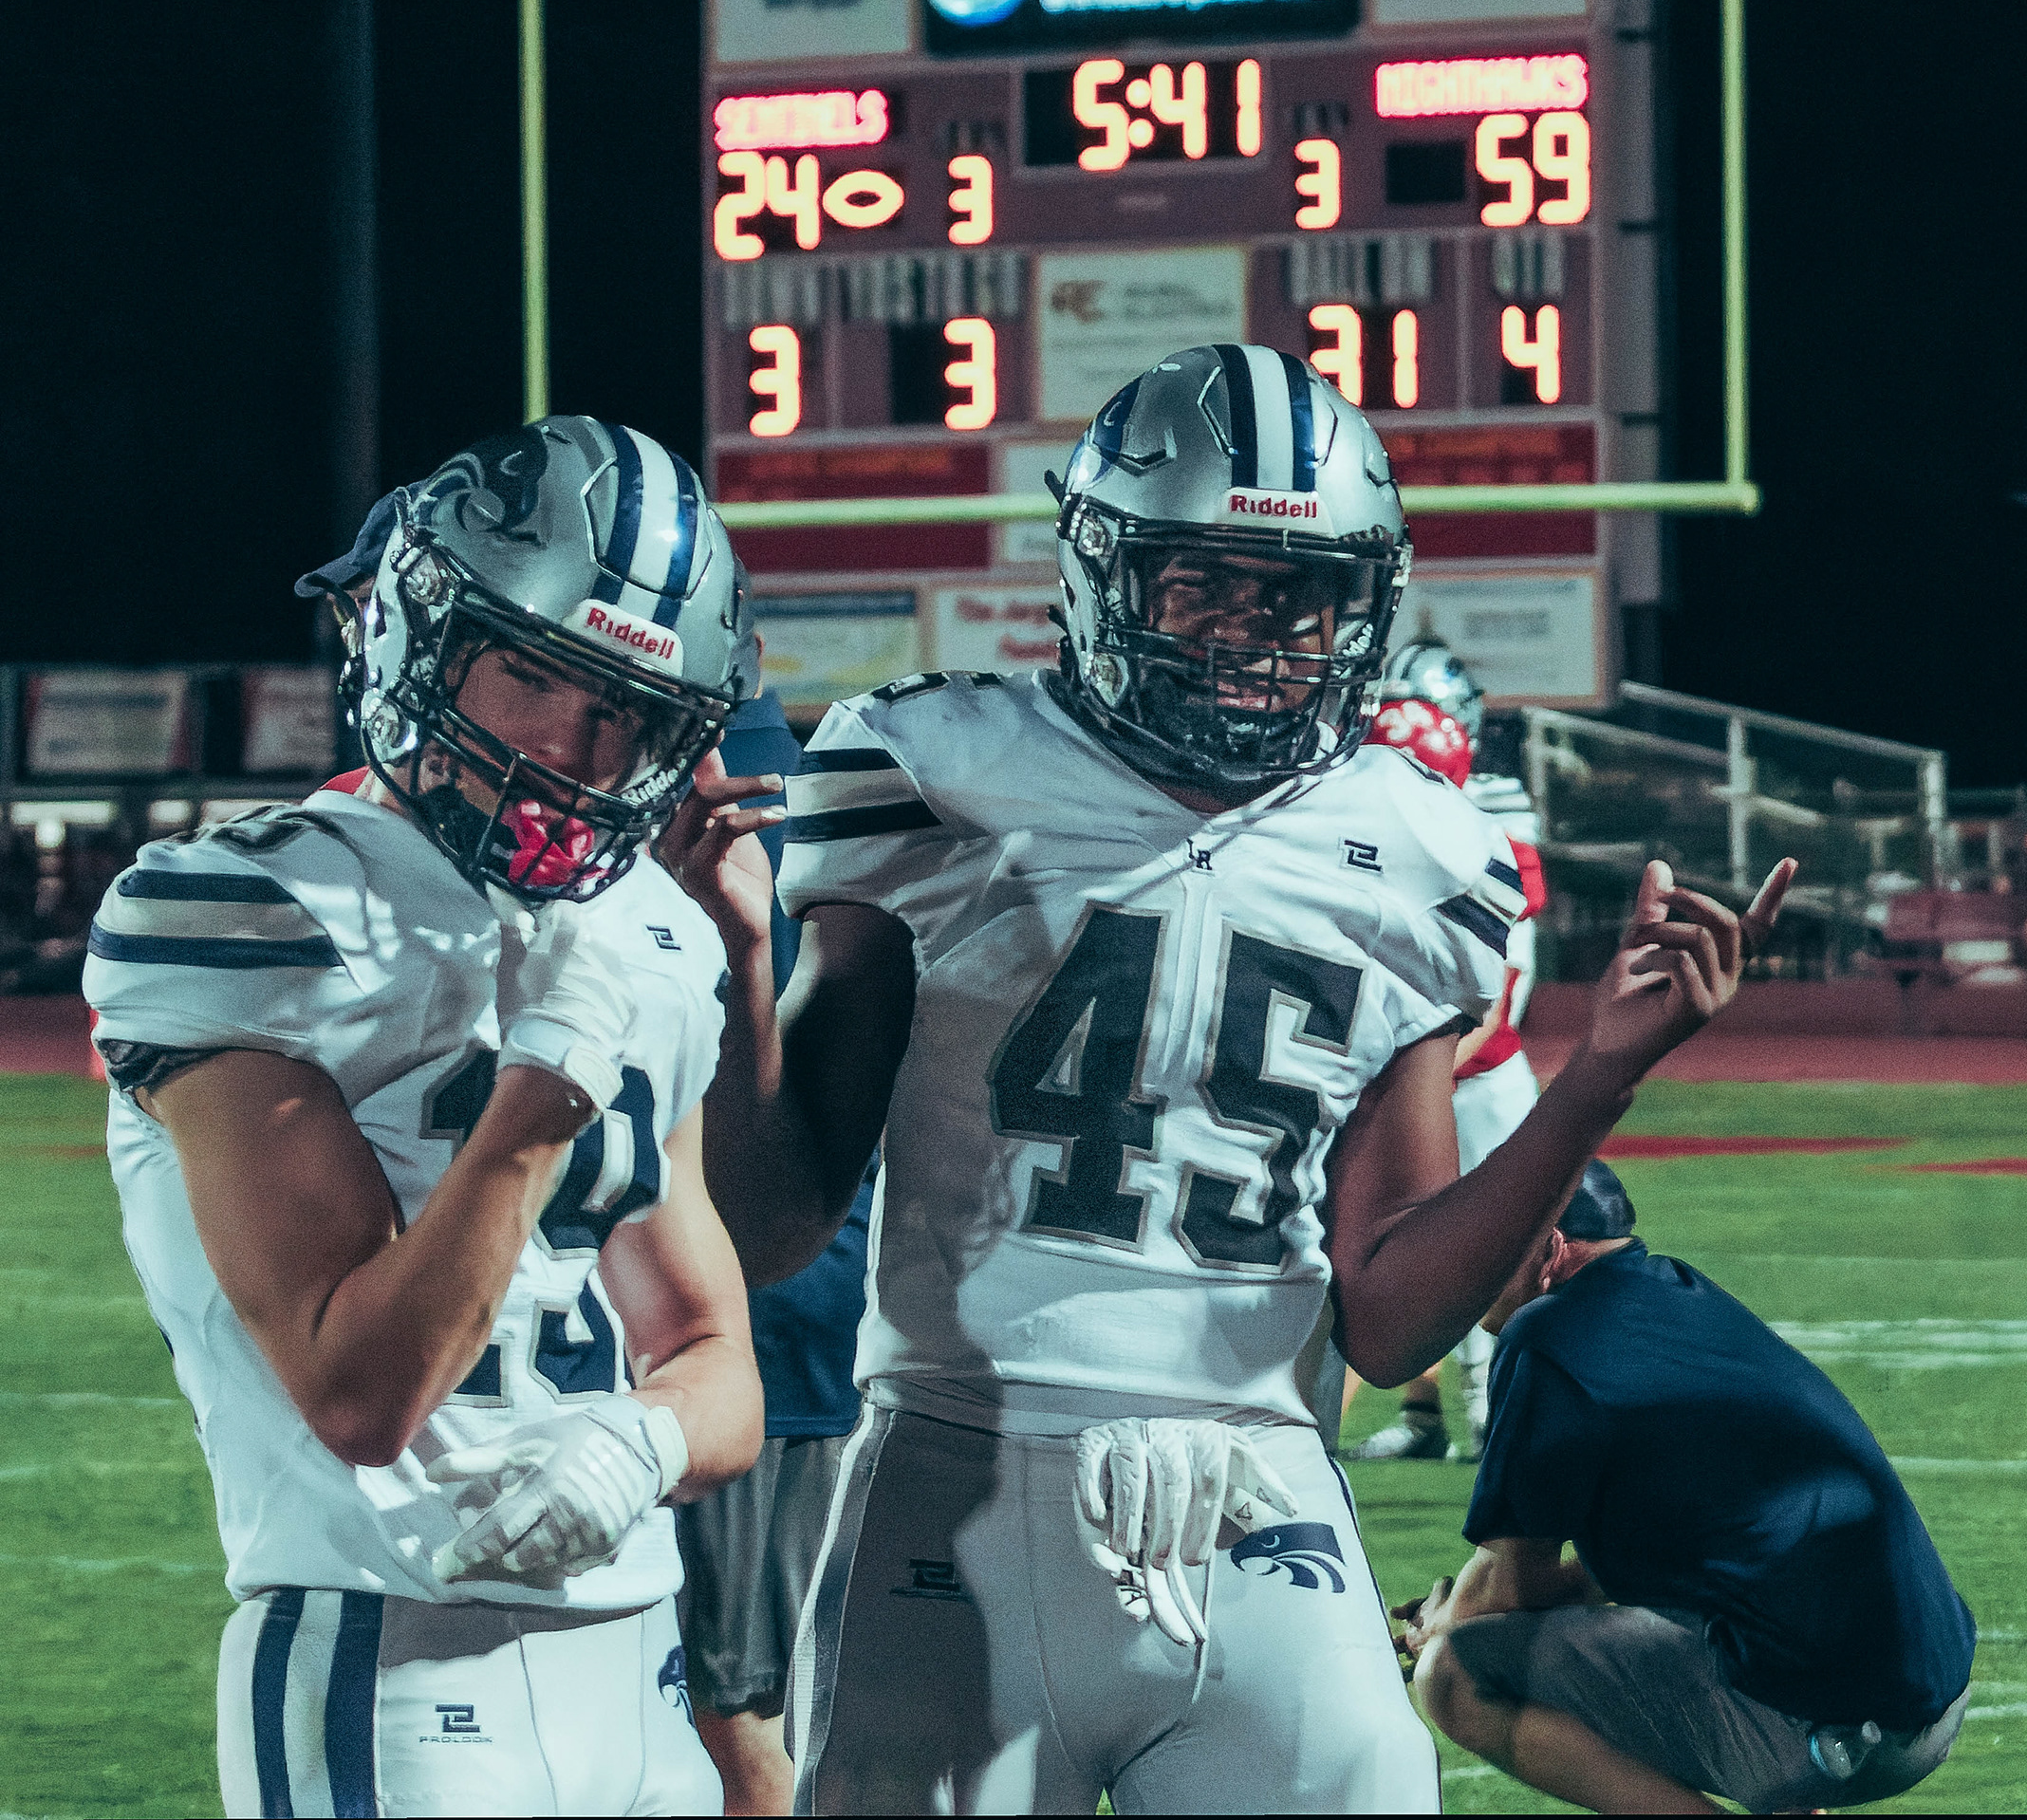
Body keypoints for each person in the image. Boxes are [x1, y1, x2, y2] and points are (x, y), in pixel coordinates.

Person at [701, 343, 1794, 1813]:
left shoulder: (1417, 845)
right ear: (1106, 575)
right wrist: (740, 964)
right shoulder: (933, 766)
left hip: (1259, 1475)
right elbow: (776, 1222)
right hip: (958, 1462)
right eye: (1205, 583)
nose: (1257, 631)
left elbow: (1391, 1318)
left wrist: (1599, 1077)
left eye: (1300, 594)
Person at [86, 419, 776, 1816]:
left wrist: (641, 1443)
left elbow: (717, 1358)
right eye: (533, 672)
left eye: (627, 710)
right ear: (422, 634)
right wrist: (544, 1088)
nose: (576, 747)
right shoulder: (251, 908)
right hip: (387, 1652)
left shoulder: (653, 929)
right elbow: (363, 1392)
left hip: (641, 1667)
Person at [1402, 1160, 1977, 1813]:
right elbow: (1676, 1556)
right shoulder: (1679, 1290)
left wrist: (1442, 1619)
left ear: (1551, 1248)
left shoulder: (1548, 1334)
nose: (1465, 1272)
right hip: (1930, 1698)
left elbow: (1512, 1586)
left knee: (1452, 1672)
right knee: (1703, 1604)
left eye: (1483, 1248)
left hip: (1826, 1733)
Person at [673, 665, 875, 1818]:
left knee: (739, 1717)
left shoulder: (714, 821)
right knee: (789, 1707)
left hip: (755, 1322)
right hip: (815, 1311)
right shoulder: (828, 812)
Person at [1348, 641, 1548, 1462]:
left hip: (1470, 1076)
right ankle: (1432, 1416)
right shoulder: (1344, 838)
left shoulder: (1489, 839)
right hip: (1417, 1072)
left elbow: (1494, 1006)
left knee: (1500, 1257)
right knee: (1394, 1250)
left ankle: (1497, 1422)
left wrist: (1391, 1075)